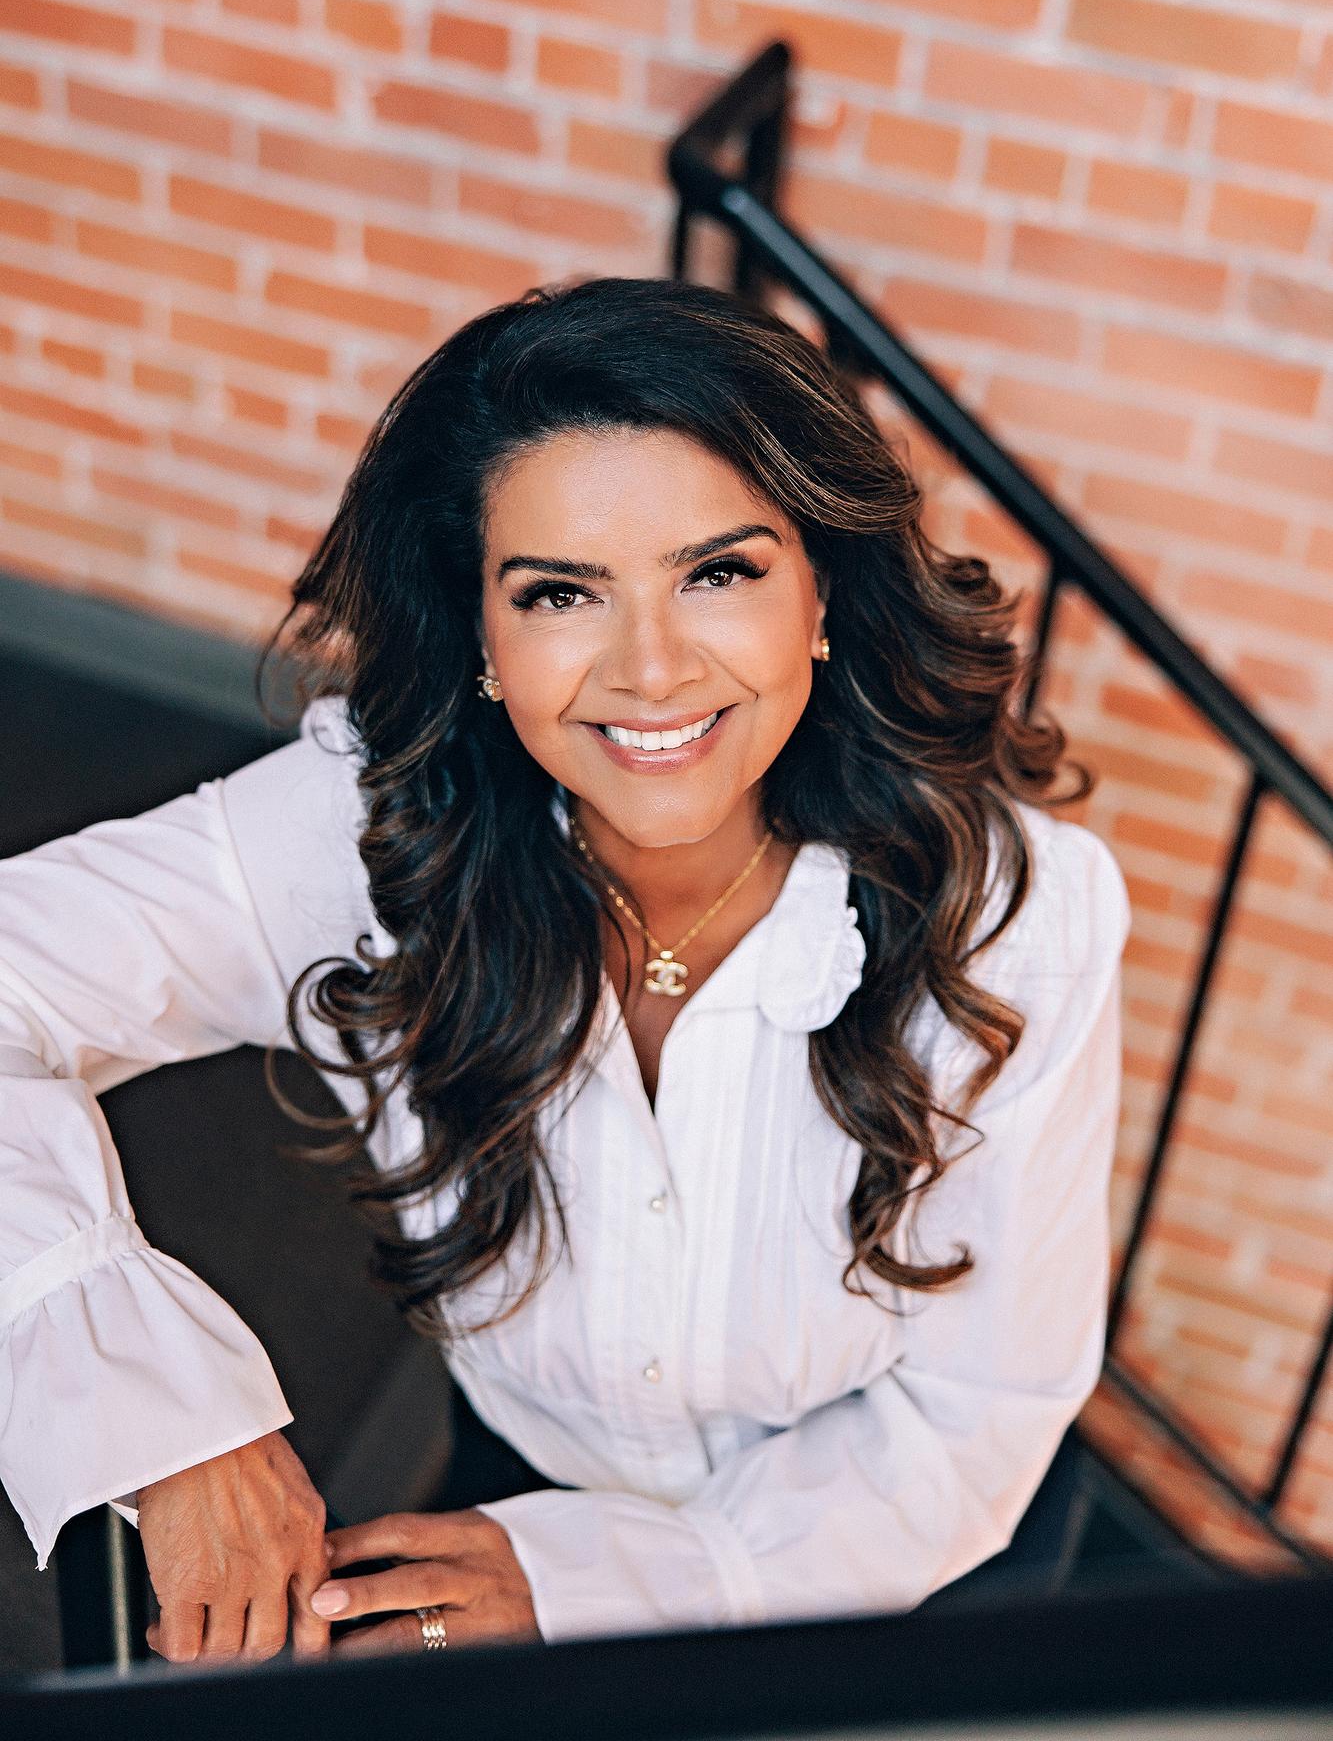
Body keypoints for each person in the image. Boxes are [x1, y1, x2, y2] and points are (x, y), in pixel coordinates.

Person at [0, 277, 1130, 1666]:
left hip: (909, 1572)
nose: (651, 670)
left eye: (718, 572)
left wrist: (629, 1583)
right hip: (515, 1494)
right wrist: (156, 1413)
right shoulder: (358, 830)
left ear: (821, 592)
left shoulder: (1019, 912)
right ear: (480, 638)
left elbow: (981, 1416)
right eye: (560, 594)